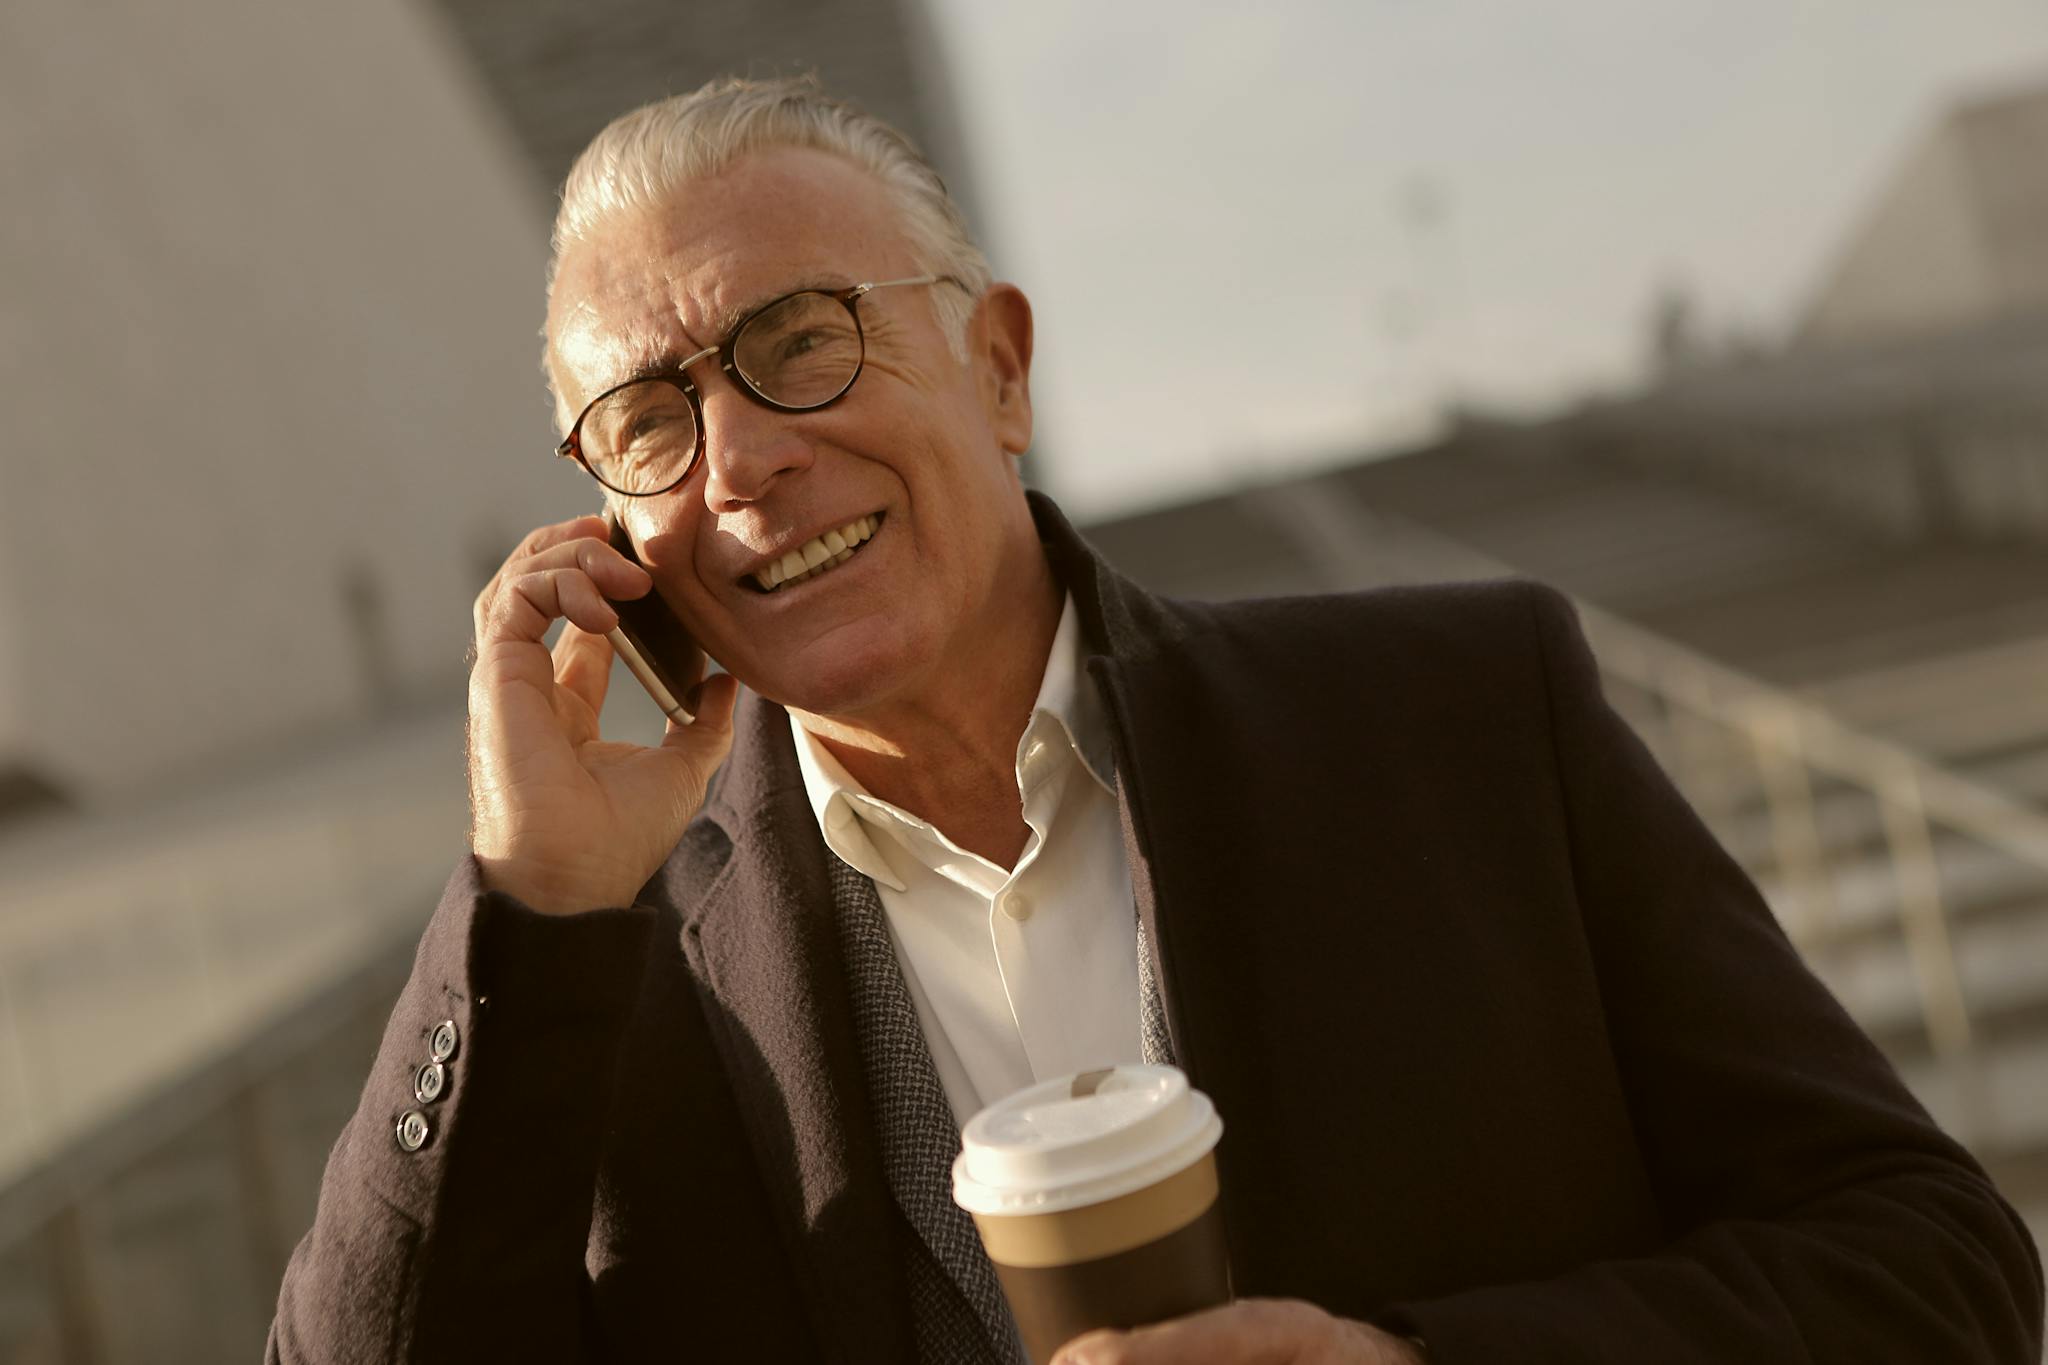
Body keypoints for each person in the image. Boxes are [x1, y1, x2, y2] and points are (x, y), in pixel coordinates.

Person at [266, 76, 2044, 1365]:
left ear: (1004, 367)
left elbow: (1940, 1272)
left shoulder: (1468, 715)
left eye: (799, 340)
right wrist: (533, 904)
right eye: (649, 421)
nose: (740, 460)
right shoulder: (592, 962)